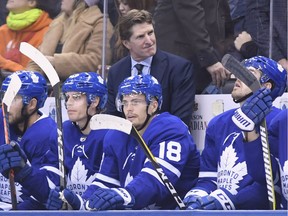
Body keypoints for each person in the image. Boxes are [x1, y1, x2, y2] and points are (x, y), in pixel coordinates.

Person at [47, 74, 200, 210]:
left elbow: (157, 180)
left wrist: (126, 194)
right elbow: (105, 181)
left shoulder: (170, 128)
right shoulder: (117, 134)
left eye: (135, 102)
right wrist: (82, 202)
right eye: (125, 102)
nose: (129, 109)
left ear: (153, 105)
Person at [182, 56, 287, 210]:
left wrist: (228, 201)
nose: (237, 77)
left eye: (249, 73)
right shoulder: (218, 123)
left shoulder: (278, 122)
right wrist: (197, 196)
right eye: (239, 72)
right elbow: (209, 177)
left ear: (266, 86)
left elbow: (271, 185)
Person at [106, 9, 195, 126]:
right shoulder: (116, 72)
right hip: (127, 141)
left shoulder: (179, 68)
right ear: (126, 43)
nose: (149, 41)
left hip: (164, 138)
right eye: (140, 37)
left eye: (150, 33)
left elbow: (180, 120)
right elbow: (113, 119)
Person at [45, 72, 109, 210]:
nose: (68, 103)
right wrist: (25, 172)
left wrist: (81, 203)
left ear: (95, 100)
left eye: (76, 97)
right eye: (67, 97)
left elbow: (109, 182)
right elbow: (52, 174)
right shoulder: (64, 130)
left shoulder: (110, 135)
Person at [0, 71, 60, 210]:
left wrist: (25, 172)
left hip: (25, 209)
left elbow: (49, 194)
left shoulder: (49, 134)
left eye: (13, 98)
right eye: (4, 96)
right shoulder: (2, 119)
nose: (5, 104)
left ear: (32, 104)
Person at [153, 0, 234, 94]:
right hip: (182, 53)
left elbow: (220, 9)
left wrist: (227, 45)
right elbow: (189, 11)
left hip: (205, 53)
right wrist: (209, 58)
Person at [26, 0, 114, 82]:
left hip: (78, 90)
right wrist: (33, 78)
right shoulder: (57, 23)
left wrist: (55, 62)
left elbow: (96, 62)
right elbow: (37, 57)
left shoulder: (101, 24)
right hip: (46, 89)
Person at [0, 0, 52, 72]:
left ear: (31, 2)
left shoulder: (47, 32)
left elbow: (34, 73)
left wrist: (4, 63)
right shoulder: (3, 30)